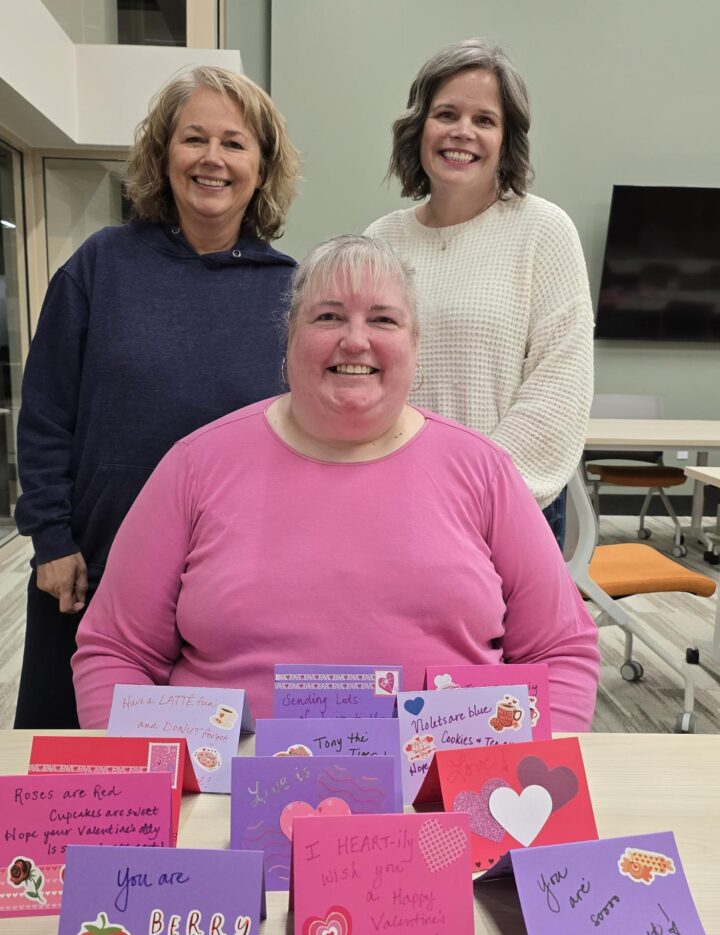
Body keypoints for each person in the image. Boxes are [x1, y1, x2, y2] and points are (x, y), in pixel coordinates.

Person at [72, 235, 599, 732]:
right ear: (289, 341)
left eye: (383, 319)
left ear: (415, 346)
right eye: (328, 317)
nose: (355, 340)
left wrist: (514, 788)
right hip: (231, 801)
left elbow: (561, 653)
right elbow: (116, 653)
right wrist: (172, 795)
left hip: (443, 801)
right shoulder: (195, 465)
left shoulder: (484, 470)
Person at [13, 66, 299, 728]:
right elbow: (47, 413)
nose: (213, 159)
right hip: (91, 569)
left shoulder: (291, 290)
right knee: (80, 763)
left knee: (215, 768)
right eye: (193, 138)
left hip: (234, 584)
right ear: (162, 153)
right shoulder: (98, 267)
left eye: (234, 143)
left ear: (261, 165)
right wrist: (51, 540)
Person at [364, 39, 594, 546]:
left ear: (506, 139)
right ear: (419, 127)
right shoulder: (381, 240)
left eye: (485, 120)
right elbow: (363, 375)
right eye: (446, 113)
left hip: (507, 510)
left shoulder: (544, 231)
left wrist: (472, 492)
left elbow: (558, 387)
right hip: (394, 501)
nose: (462, 132)